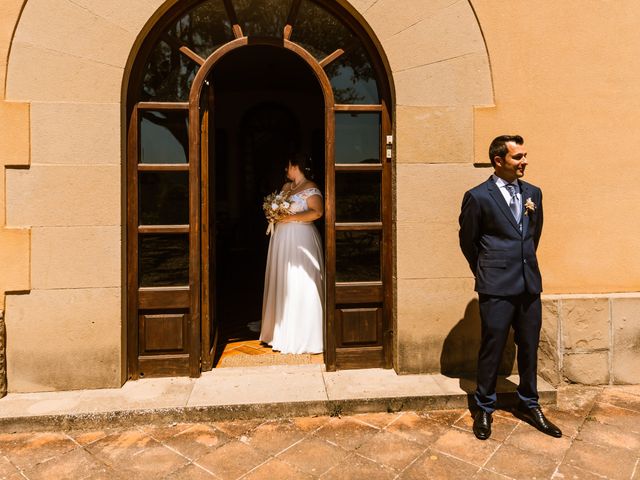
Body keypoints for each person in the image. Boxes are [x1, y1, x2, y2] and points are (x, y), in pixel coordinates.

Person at [458, 135, 562, 440]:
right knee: (492, 347)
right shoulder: (478, 196)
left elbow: (533, 235)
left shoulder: (534, 193)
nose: (524, 162)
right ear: (498, 161)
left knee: (529, 346)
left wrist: (522, 262)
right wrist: (488, 269)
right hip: (496, 285)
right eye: (518, 157)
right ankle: (484, 408)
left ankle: (529, 403)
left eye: (525, 156)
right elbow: (468, 241)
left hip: (529, 283)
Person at [259, 154, 324, 354]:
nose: (285, 169)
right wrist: (274, 213)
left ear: (295, 165)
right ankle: (281, 330)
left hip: (301, 238)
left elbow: (317, 212)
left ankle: (305, 334)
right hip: (282, 240)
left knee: (301, 281)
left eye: (287, 165)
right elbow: (279, 208)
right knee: (284, 281)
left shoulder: (311, 187)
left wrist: (291, 218)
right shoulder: (287, 187)